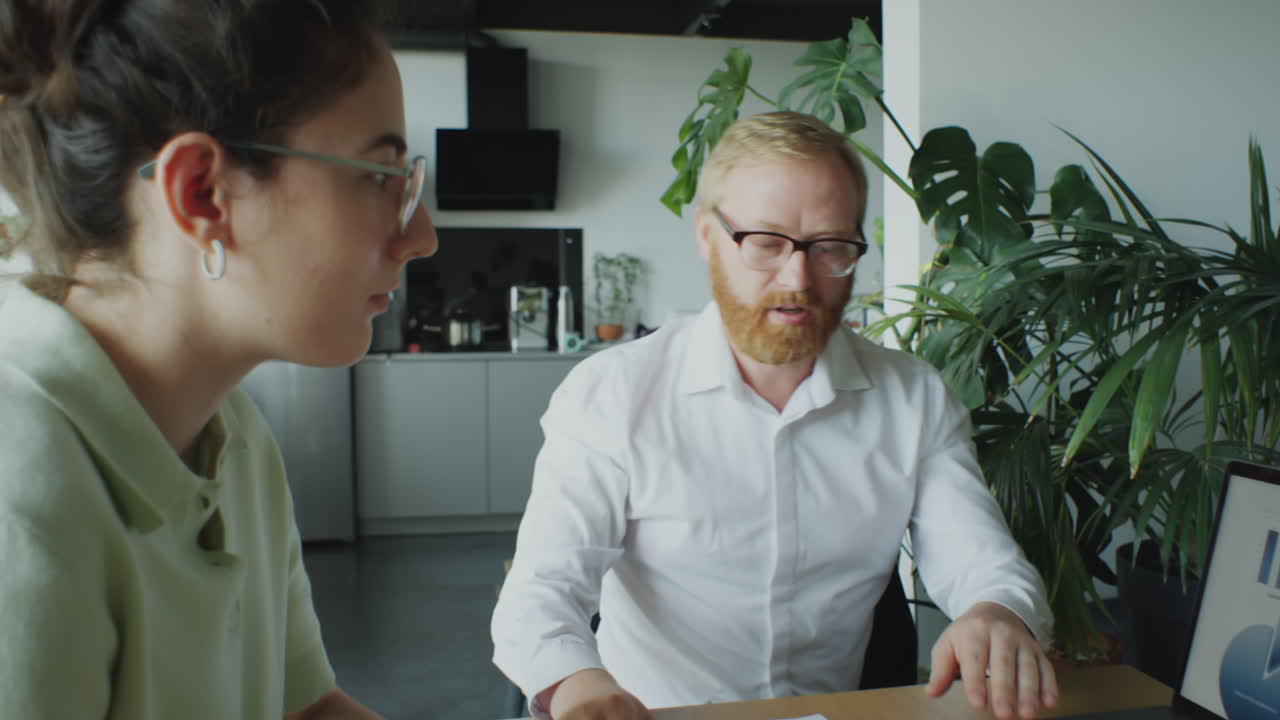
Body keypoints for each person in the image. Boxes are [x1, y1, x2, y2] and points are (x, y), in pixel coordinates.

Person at [491, 111, 1058, 720]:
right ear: (708, 236)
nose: (798, 278)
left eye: (831, 247)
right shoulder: (612, 394)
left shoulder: (912, 398)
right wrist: (578, 684)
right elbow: (540, 595)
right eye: (765, 244)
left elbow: (986, 567)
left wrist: (995, 612)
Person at [0, 1, 436, 718]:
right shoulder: (21, 480)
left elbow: (306, 707)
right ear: (201, 193)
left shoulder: (231, 433)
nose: (420, 236)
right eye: (379, 176)